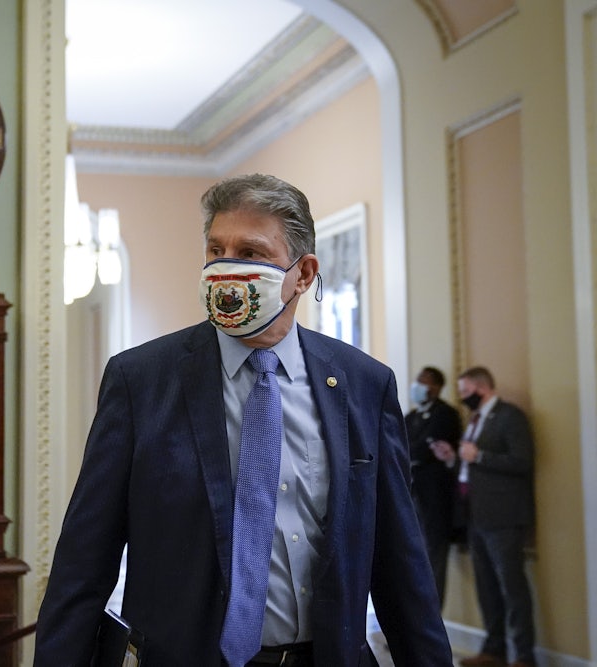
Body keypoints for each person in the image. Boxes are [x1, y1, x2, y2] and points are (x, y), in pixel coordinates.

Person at [34, 174, 452, 666]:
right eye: (217, 250)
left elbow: (401, 565)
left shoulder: (363, 383)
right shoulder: (140, 380)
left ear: (304, 273)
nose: (227, 268)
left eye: (251, 253)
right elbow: (85, 559)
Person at [430, 366, 536, 667]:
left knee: (512, 588)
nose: (463, 398)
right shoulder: (475, 421)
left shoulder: (509, 416)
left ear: (482, 388)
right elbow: (469, 467)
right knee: (487, 587)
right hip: (475, 515)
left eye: (465, 392)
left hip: (504, 516)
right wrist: (451, 459)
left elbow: (522, 461)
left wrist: (480, 456)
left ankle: (524, 656)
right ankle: (494, 649)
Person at [406, 365, 462, 607]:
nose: (418, 385)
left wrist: (414, 452)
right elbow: (399, 447)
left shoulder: (446, 414)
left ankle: (431, 618)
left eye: (424, 381)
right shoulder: (411, 417)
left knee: (434, 559)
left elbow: (423, 449)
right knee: (413, 558)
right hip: (412, 494)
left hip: (436, 499)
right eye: (417, 380)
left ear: (436, 387)